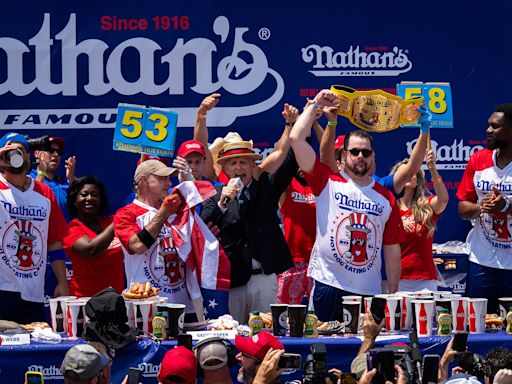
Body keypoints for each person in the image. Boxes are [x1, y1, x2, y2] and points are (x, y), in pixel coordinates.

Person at [289, 90, 404, 321]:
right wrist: (315, 107)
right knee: (324, 350)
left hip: (369, 292)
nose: (360, 156)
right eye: (354, 151)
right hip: (328, 285)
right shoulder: (326, 180)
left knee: (366, 353)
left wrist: (392, 293)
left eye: (366, 152)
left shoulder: (386, 198)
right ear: (344, 154)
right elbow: (296, 139)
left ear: (373, 157)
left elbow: (392, 248)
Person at [201, 138, 296, 323]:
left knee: (264, 333)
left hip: (264, 278)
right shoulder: (216, 195)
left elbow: (291, 164)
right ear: (226, 170)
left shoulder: (267, 187)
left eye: (244, 162)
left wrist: (298, 127)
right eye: (233, 163)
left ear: (253, 165)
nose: (238, 168)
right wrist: (223, 203)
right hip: (233, 279)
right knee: (233, 333)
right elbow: (204, 226)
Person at [114, 159, 205, 321]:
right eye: (162, 178)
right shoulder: (126, 214)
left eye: (169, 179)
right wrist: (163, 212)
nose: (169, 183)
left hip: (184, 304)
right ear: (144, 180)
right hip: (145, 307)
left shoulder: (176, 210)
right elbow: (138, 245)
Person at [0, 132, 68, 323]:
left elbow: (54, 241)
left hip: (33, 291)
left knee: (31, 346)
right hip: (2, 289)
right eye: (9, 152)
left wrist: (62, 283)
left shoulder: (45, 192)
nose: (15, 156)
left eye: (20, 151)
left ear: (29, 157)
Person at [457, 103, 512, 314]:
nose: (488, 131)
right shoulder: (478, 160)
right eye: (488, 125)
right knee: (477, 325)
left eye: (495, 127)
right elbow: (462, 209)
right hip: (482, 261)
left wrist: (505, 205)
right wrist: (482, 207)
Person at [390, 149, 449, 292]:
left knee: (426, 315)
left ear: (418, 180)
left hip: (425, 280)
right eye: (405, 173)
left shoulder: (426, 205)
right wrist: (399, 224)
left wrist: (433, 170)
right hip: (397, 279)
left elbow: (443, 200)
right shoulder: (390, 207)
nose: (410, 176)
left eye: (413, 173)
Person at [63, 176, 124, 296]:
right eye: (84, 195)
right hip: (84, 302)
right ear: (74, 201)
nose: (89, 198)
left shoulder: (110, 221)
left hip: (115, 302)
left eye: (95, 195)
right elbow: (91, 249)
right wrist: (117, 223)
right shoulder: (71, 229)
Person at [30, 135, 77, 221]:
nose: (55, 154)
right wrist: (41, 173)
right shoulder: (26, 179)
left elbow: (78, 210)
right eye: (50, 150)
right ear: (37, 153)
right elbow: (29, 202)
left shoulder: (65, 183)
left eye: (59, 152)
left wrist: (71, 181)